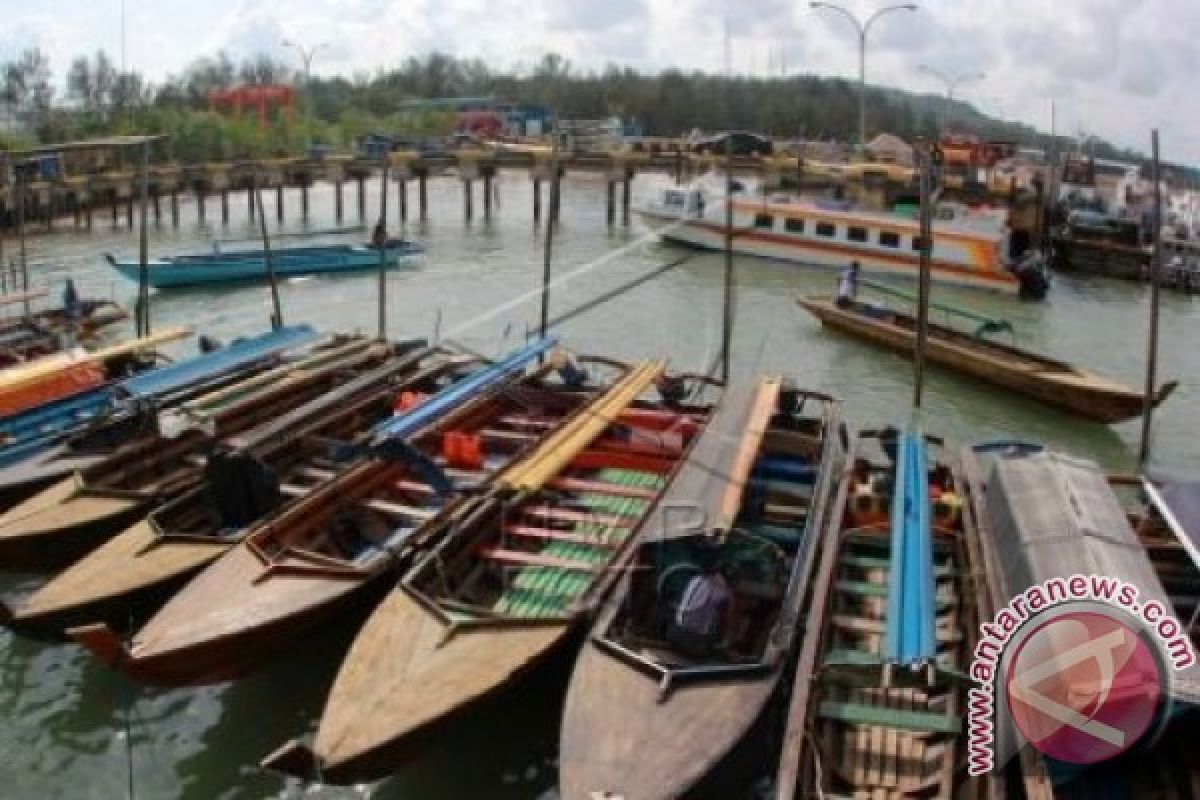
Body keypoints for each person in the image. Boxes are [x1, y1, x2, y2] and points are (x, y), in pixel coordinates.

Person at [668, 562, 734, 659]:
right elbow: (726, 615)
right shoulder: (721, 589)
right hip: (695, 638)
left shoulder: (696, 579)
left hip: (675, 629)